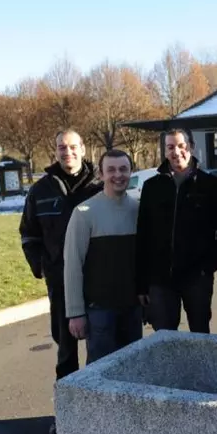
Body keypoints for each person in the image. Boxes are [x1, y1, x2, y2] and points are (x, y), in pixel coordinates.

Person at [19, 130, 101, 434]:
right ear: (55, 151)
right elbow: (29, 233)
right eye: (61, 147)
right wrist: (40, 266)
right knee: (66, 351)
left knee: (100, 348)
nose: (67, 152)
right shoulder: (40, 191)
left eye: (72, 146)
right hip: (60, 282)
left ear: (83, 149)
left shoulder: (98, 187)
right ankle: (66, 415)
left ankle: (97, 413)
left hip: (98, 280)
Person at [135, 129, 217, 334]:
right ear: (165, 151)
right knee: (164, 339)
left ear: (192, 147)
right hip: (160, 279)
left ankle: (201, 368)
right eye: (170, 147)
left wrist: (209, 266)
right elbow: (143, 236)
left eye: (181, 146)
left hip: (197, 277)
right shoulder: (152, 187)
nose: (176, 152)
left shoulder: (211, 185)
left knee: (200, 335)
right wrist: (142, 284)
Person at [64, 150, 142, 365]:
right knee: (101, 375)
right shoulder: (84, 213)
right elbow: (72, 266)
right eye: (111, 170)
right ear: (101, 174)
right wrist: (75, 312)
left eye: (123, 169)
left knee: (134, 370)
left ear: (131, 172)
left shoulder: (139, 210)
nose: (118, 175)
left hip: (131, 308)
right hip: (99, 312)